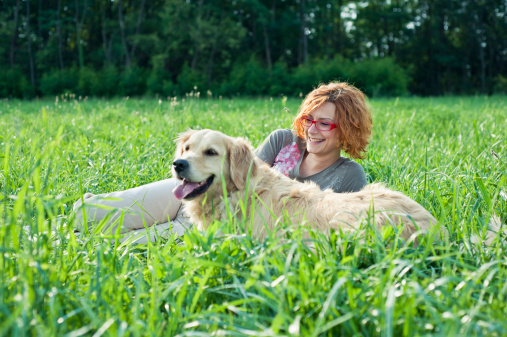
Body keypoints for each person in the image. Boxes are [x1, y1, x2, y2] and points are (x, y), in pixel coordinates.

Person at [73, 82, 373, 243]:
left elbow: (340, 220)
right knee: (89, 213)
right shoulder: (283, 140)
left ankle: (76, 245)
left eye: (324, 124)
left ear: (347, 130)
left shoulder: (349, 175)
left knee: (120, 243)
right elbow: (240, 177)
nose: (311, 129)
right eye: (309, 119)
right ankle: (58, 223)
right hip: (190, 191)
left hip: (222, 221)